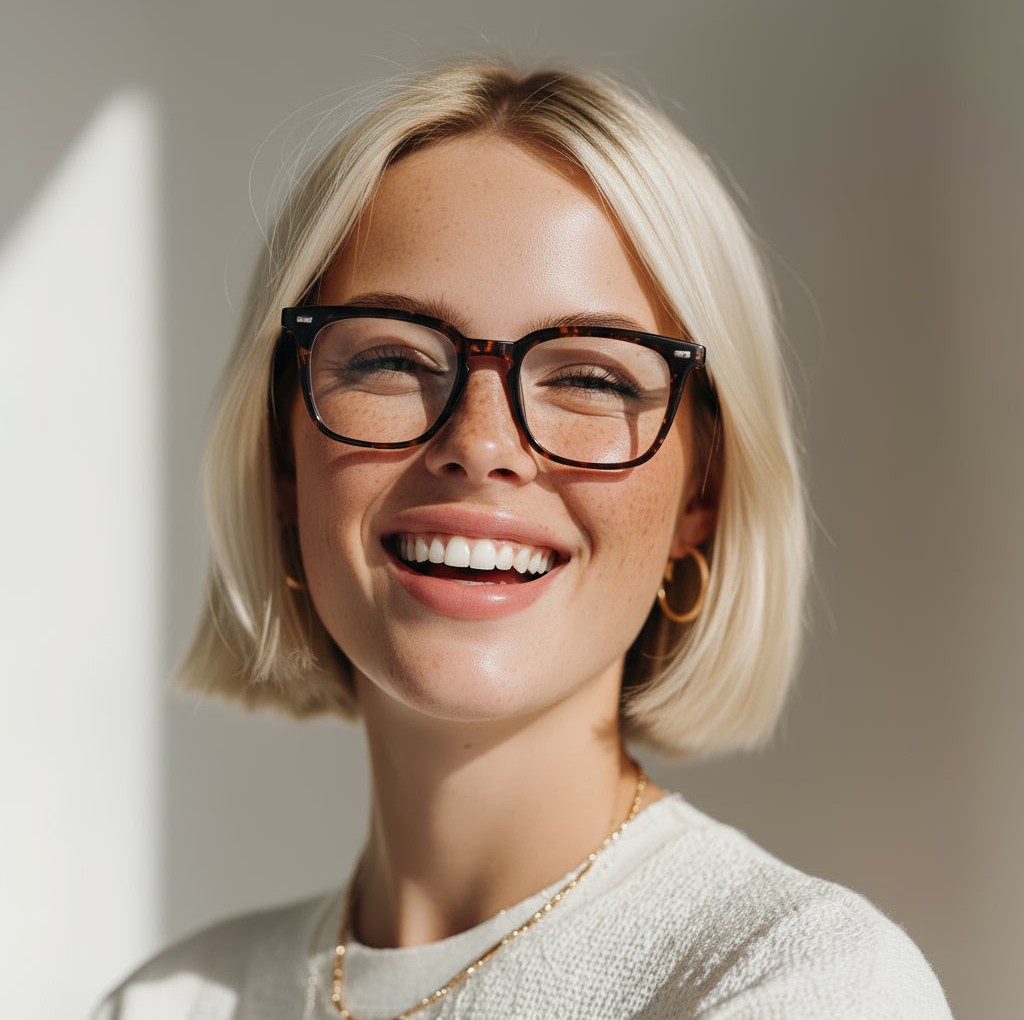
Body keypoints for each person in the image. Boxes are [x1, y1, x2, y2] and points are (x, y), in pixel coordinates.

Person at [94, 59, 953, 1019]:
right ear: (282, 457)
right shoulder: (168, 1003)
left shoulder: (804, 982)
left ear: (700, 493)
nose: (481, 445)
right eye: (389, 356)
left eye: (592, 378)